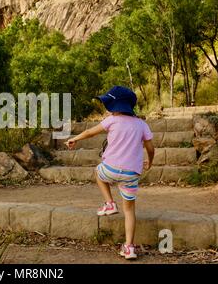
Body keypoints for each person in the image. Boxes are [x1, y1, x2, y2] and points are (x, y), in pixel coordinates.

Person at [66, 86, 155, 260]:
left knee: (98, 173)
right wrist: (149, 162)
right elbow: (151, 149)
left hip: (110, 170)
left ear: (114, 107)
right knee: (129, 211)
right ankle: (129, 247)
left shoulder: (111, 121)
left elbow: (90, 132)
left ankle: (109, 203)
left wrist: (74, 139)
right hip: (131, 174)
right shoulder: (142, 125)